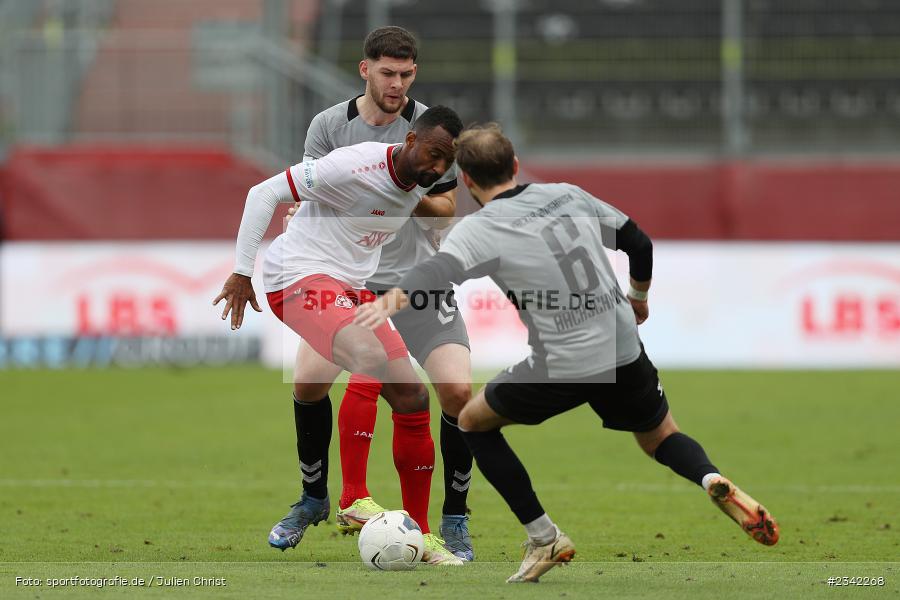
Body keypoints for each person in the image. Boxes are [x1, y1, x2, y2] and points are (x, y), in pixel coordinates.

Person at [356, 123, 780, 582]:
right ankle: (709, 478)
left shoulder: (480, 229)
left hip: (563, 362)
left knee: (472, 422)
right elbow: (639, 243)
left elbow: (433, 273)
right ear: (515, 165)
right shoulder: (568, 196)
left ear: (471, 184)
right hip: (622, 345)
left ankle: (544, 537)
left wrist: (386, 302)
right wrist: (638, 298)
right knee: (659, 436)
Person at [213, 105, 465, 566]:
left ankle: (422, 534)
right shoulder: (353, 164)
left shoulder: (417, 186)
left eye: (445, 163)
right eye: (432, 154)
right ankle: (353, 497)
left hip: (351, 290)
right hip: (297, 277)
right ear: (410, 140)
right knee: (367, 356)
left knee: (412, 398)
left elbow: (436, 218)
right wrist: (241, 271)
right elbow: (263, 191)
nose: (436, 168)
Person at [282, 26, 476, 561]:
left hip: (418, 282)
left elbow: (446, 213)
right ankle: (314, 498)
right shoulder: (328, 125)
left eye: (407, 75)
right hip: (351, 281)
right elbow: (310, 189)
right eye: (388, 73)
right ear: (365, 69)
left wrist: (396, 189)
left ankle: (454, 519)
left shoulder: (430, 131)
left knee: (458, 393)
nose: (398, 84)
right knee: (308, 385)